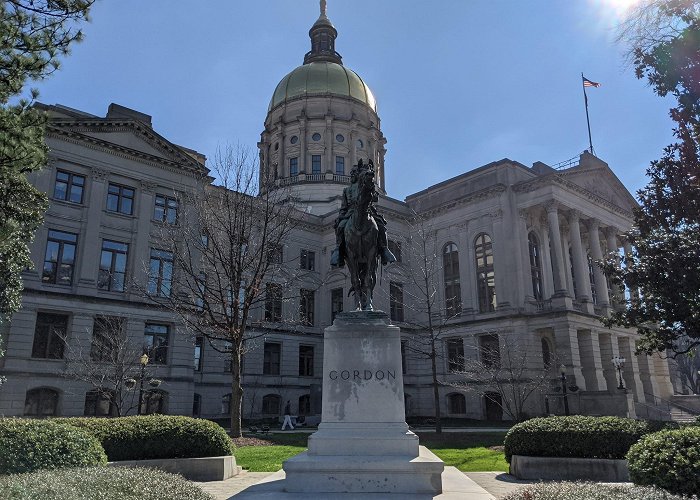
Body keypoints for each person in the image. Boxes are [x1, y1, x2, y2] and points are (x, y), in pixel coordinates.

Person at [330, 159, 396, 267]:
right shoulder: (347, 190)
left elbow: (375, 199)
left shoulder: (368, 187)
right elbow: (343, 207)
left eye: (354, 174)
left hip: (368, 211)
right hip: (350, 213)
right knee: (341, 227)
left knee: (381, 226)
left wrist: (370, 190)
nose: (353, 176)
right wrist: (341, 217)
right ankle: (338, 250)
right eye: (352, 174)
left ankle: (384, 249)